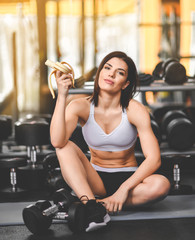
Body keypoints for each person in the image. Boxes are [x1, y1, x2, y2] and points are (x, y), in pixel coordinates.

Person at [50, 51, 170, 232]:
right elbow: (56, 141)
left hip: (129, 179)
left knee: (161, 185)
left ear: (126, 83)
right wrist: (62, 96)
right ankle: (92, 206)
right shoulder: (80, 106)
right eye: (107, 68)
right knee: (63, 147)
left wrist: (123, 189)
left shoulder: (134, 110)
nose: (111, 74)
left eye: (120, 72)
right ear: (100, 73)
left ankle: (92, 205)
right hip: (95, 178)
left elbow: (154, 159)